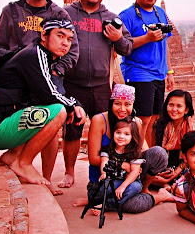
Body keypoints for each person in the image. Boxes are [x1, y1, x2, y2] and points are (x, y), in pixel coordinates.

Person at [0, 0, 80, 195]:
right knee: (25, 121)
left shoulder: (59, 14)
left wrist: (55, 71)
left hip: (50, 76)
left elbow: (72, 49)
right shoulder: (11, 11)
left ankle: (45, 178)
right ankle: (19, 164)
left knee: (51, 125)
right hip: (19, 82)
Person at [0, 18, 86, 189]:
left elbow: (48, 92)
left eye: (69, 39)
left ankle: (13, 156)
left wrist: (73, 103)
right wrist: (72, 106)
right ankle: (23, 163)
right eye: (60, 36)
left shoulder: (39, 55)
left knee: (48, 109)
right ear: (44, 36)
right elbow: (50, 94)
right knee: (58, 112)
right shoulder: (35, 55)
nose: (65, 43)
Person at [60, 0, 133, 189]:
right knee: (72, 129)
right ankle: (69, 172)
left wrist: (117, 38)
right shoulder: (66, 15)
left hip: (102, 85)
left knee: (109, 131)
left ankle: (109, 172)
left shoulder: (110, 17)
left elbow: (126, 47)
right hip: (73, 83)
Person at [73, 84, 173, 213]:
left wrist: (136, 169)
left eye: (127, 104)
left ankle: (143, 190)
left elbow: (140, 152)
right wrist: (121, 165)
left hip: (128, 178)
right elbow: (93, 159)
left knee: (159, 153)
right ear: (111, 103)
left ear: (132, 105)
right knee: (130, 205)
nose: (122, 109)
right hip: (104, 181)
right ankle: (157, 197)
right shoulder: (100, 120)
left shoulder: (135, 122)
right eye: (117, 103)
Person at [119, 0, 174, 148]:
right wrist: (147, 38)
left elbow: (165, 45)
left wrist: (170, 71)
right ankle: (135, 155)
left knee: (156, 119)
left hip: (159, 73)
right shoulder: (127, 16)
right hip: (138, 73)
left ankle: (153, 155)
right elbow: (121, 45)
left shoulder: (160, 13)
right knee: (142, 119)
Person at [98, 118, 144, 208]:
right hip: (113, 179)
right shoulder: (107, 149)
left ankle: (107, 205)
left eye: (126, 134)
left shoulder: (135, 152)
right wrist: (104, 174)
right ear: (113, 133)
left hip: (129, 181)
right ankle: (95, 200)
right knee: (103, 187)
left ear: (132, 136)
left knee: (136, 187)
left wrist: (123, 186)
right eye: (118, 132)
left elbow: (135, 171)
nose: (121, 136)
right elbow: (104, 162)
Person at [152, 90, 194, 188]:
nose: (174, 109)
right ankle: (167, 186)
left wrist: (173, 175)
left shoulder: (189, 128)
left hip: (181, 168)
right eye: (171, 105)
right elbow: (153, 152)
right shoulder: (158, 125)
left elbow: (188, 159)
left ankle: (168, 185)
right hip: (161, 168)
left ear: (186, 109)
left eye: (179, 106)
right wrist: (162, 174)